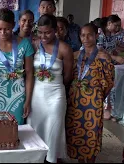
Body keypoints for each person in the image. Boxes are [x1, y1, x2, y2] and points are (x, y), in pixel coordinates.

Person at [27, 14, 74, 163]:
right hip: (36, 94)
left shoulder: (64, 48)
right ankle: (35, 158)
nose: (43, 36)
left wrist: (55, 84)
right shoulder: (34, 44)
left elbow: (68, 75)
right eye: (40, 32)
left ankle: (51, 159)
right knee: (34, 128)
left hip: (55, 95)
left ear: (55, 31)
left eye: (47, 32)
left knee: (53, 129)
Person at [66, 23, 114, 163]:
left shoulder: (103, 57)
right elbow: (68, 77)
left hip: (93, 100)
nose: (86, 38)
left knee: (91, 131)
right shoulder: (75, 55)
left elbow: (110, 81)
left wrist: (98, 95)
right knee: (77, 131)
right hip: (75, 100)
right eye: (82, 35)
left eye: (89, 35)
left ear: (96, 36)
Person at [0, 8, 35, 125]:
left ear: (14, 25)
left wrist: (28, 101)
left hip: (18, 95)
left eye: (7, 29)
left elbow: (30, 74)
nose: (3, 33)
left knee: (17, 130)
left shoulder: (25, 44)